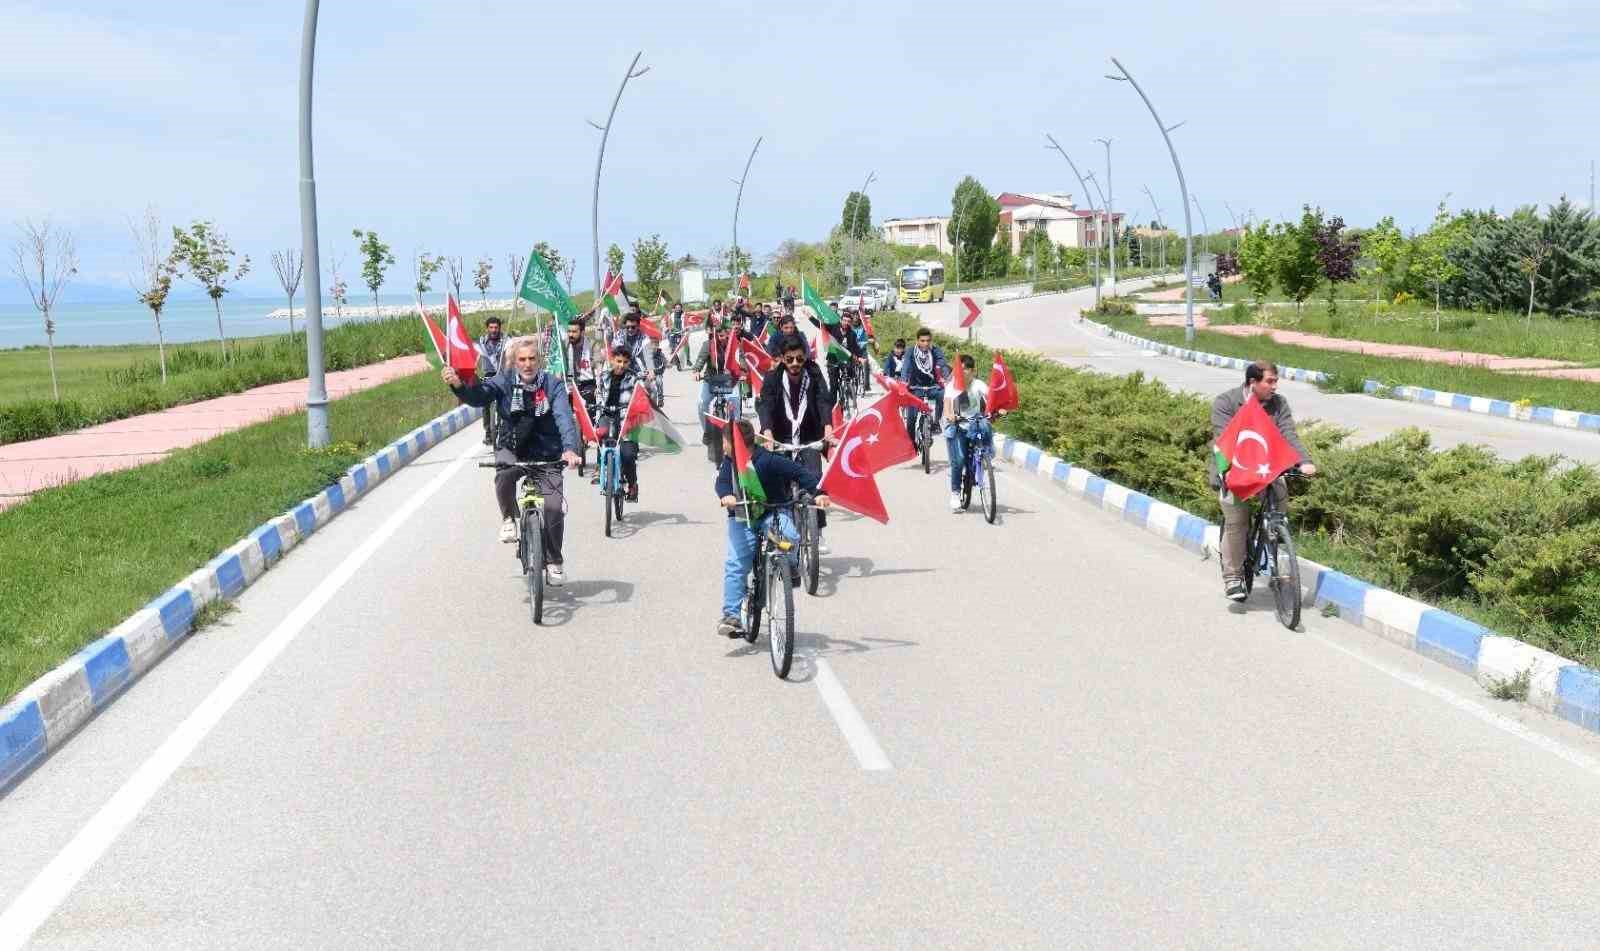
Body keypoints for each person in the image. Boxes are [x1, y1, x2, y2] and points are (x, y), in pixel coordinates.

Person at [443, 339, 582, 584]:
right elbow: (480, 396)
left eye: (532, 359)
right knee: (504, 472)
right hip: (512, 447)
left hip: (546, 453)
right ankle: (508, 518)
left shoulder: (553, 385)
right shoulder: (504, 381)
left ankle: (554, 561)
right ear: (514, 361)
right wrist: (458, 385)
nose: (527, 364)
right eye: (522, 359)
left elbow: (563, 417)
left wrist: (570, 449)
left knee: (552, 507)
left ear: (539, 360)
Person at [714, 419, 832, 637]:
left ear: (737, 444)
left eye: (725, 442)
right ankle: (731, 615)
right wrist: (726, 495)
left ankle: (790, 566)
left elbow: (799, 472)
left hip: (772, 511)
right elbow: (721, 483)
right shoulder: (730, 462)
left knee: (789, 534)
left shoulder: (768, 460)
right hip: (743, 516)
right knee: (736, 563)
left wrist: (819, 493)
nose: (722, 447)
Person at [1212, 361, 1316, 601]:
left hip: (1265, 469)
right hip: (1234, 470)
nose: (1275, 387)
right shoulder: (1226, 403)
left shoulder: (1278, 404)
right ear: (1253, 382)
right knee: (1236, 522)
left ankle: (1273, 531)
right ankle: (1233, 578)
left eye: (1276, 381)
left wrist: (1303, 461)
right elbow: (1224, 439)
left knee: (1280, 490)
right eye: (1270, 381)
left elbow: (1288, 434)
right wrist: (1227, 470)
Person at [757, 332, 836, 553]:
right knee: (779, 487)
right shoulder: (772, 377)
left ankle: (818, 531)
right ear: (782, 358)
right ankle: (780, 529)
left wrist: (828, 427)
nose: (794, 364)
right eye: (789, 359)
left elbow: (823, 400)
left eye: (799, 359)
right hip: (781, 438)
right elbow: (765, 405)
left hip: (809, 436)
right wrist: (768, 431)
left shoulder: (813, 373)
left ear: (805, 358)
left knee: (815, 481)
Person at [942, 353, 1004, 512]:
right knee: (960, 460)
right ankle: (955, 493)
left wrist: (998, 409)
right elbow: (947, 403)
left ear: (973, 371)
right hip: (958, 426)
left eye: (966, 370)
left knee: (985, 427)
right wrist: (950, 415)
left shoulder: (978, 385)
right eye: (959, 370)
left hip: (975, 424)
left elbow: (991, 398)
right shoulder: (953, 386)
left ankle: (985, 455)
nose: (962, 373)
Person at [596, 346, 643, 501]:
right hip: (607, 416)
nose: (621, 365)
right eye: (618, 361)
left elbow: (642, 397)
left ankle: (632, 484)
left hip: (627, 420)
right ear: (611, 360)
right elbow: (598, 399)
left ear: (628, 363)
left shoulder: (634, 379)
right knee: (600, 435)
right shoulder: (603, 377)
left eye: (624, 362)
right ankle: (601, 470)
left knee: (628, 455)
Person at [694, 323, 742, 456]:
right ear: (716, 335)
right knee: (701, 403)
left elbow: (741, 361)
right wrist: (696, 371)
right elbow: (700, 360)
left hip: (729, 381)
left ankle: (737, 433)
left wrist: (743, 372)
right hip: (711, 380)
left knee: (735, 402)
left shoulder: (735, 344)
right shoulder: (708, 344)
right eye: (720, 336)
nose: (723, 338)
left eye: (726, 336)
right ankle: (707, 432)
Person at [898, 327, 949, 438]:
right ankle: (911, 443)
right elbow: (905, 367)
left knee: (943, 394)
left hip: (932, 387)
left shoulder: (935, 351)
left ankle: (936, 422)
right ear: (917, 341)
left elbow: (942, 365)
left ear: (931, 341)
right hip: (915, 388)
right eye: (922, 341)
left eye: (928, 340)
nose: (925, 343)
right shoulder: (910, 352)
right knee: (911, 418)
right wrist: (903, 382)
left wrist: (945, 378)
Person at [475, 317, 508, 445]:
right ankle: (488, 433)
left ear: (500, 328)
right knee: (485, 403)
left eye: (496, 327)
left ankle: (504, 429)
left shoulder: (507, 340)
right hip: (488, 375)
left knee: (505, 401)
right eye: (491, 327)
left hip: (502, 374)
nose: (494, 330)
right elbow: (475, 356)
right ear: (487, 328)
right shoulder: (482, 342)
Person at [563, 319, 599, 420]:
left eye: (574, 332)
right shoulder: (565, 345)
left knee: (588, 415)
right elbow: (559, 367)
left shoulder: (592, 345)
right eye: (569, 331)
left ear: (582, 332)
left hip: (588, 383)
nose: (570, 334)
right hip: (571, 383)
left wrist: (599, 386)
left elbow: (599, 367)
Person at [666, 303, 687, 369]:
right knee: (673, 348)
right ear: (674, 309)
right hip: (673, 334)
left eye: (679, 308)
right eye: (676, 308)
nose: (678, 309)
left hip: (681, 334)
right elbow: (669, 324)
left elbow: (686, 323)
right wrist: (670, 329)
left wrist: (685, 329)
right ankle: (676, 361)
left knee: (680, 349)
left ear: (681, 308)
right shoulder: (671, 315)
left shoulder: (684, 315)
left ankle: (683, 361)